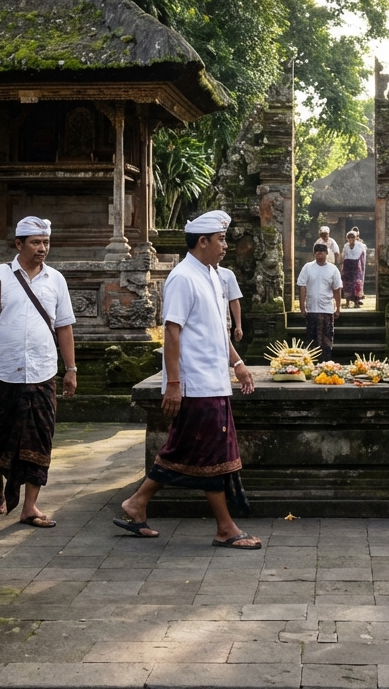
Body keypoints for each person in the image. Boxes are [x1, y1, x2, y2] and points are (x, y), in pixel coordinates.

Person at [116, 210, 260, 547]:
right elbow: (172, 332)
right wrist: (174, 384)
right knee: (211, 456)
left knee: (188, 450)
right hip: (196, 384)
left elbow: (215, 331)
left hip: (214, 381)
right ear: (203, 241)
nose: (225, 245)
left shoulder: (212, 275)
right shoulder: (183, 277)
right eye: (221, 239)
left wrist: (237, 363)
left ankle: (136, 503)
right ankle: (225, 528)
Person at [0, 216, 77, 527]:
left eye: (46, 243)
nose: (42, 248)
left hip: (42, 372)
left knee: (40, 439)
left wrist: (71, 369)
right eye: (36, 243)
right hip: (2, 371)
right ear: (18, 244)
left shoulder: (55, 280)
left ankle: (30, 507)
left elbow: (64, 326)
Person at [297, 242, 342, 360]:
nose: (320, 255)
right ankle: (311, 362)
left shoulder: (333, 269)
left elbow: (337, 289)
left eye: (322, 252)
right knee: (311, 338)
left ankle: (325, 362)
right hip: (312, 309)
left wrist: (338, 307)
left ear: (327, 253)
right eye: (317, 252)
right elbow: (302, 286)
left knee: (326, 338)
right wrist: (302, 306)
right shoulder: (308, 267)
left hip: (327, 309)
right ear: (314, 254)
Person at [216, 261, 244, 343]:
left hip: (224, 323)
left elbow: (234, 299)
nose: (224, 248)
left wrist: (238, 326)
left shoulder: (227, 274)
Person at [341, 230, 367, 308]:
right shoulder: (346, 246)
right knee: (347, 284)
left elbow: (362, 257)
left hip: (356, 266)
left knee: (356, 284)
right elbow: (343, 256)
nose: (351, 239)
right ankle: (347, 302)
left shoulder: (360, 245)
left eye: (353, 237)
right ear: (347, 238)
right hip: (347, 266)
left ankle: (356, 302)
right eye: (349, 237)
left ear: (356, 238)